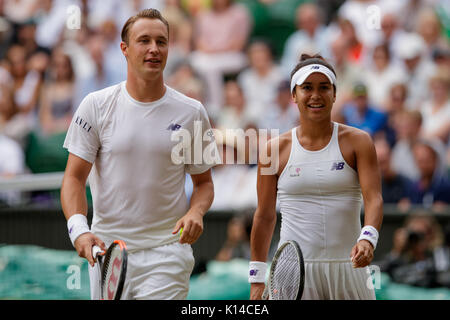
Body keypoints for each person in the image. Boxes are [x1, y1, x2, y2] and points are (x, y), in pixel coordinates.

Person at [60, 9, 217, 300]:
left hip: (167, 253)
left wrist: (196, 212)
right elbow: (73, 177)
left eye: (161, 41)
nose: (154, 49)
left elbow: (204, 183)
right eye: (144, 41)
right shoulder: (94, 106)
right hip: (107, 253)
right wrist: (79, 230)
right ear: (125, 49)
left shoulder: (192, 112)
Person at [249, 54, 383, 300]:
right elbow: (264, 215)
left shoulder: (360, 141)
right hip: (293, 274)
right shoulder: (272, 150)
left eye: (324, 88)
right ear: (293, 95)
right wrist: (256, 278)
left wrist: (368, 239)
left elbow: (374, 198)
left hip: (350, 268)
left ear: (334, 94)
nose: (315, 95)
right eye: (307, 88)